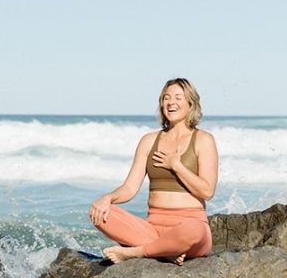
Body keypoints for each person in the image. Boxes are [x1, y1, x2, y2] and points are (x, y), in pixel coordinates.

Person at [89, 78, 218, 264]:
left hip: (188, 227)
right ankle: (165, 250)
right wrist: (107, 198)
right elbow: (130, 188)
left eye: (178, 97)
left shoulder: (203, 139)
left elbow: (207, 191)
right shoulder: (149, 141)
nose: (171, 102)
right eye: (166, 98)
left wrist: (176, 165)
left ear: (191, 104)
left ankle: (138, 252)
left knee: (193, 229)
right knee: (99, 213)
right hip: (152, 228)